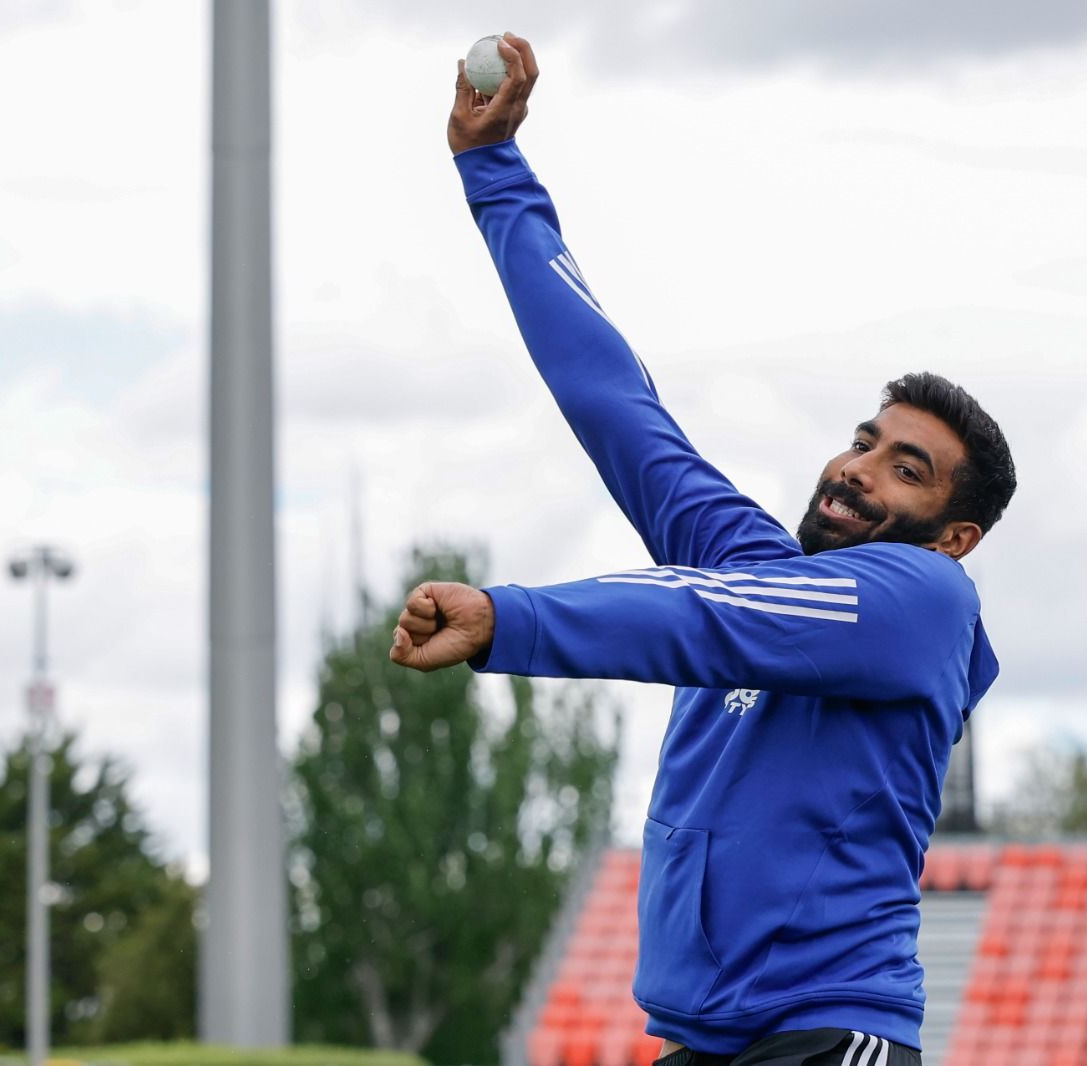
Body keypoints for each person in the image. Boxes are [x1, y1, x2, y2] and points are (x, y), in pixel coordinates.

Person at [390, 33, 1016, 1066]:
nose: (860, 467)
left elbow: (707, 618)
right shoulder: (759, 565)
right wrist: (492, 172)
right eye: (864, 440)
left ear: (954, 538)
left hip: (830, 1038)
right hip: (705, 1044)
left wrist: (511, 619)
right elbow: (615, 403)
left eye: (907, 468)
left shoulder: (921, 602)